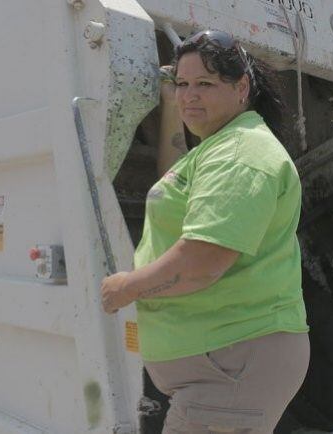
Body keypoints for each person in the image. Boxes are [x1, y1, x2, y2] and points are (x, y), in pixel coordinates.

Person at [99, 29, 310, 433]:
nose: (188, 96)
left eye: (205, 84)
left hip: (229, 369)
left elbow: (202, 262)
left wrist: (126, 287)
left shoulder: (238, 153)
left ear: (242, 87)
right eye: (182, 84)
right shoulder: (221, 146)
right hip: (223, 367)